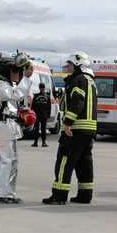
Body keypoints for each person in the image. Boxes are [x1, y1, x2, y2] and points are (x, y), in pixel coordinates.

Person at [43, 51, 97, 205]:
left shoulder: (78, 80)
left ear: (77, 65)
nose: (68, 68)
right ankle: (85, 195)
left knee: (64, 161)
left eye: (70, 65)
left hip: (75, 129)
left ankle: (59, 195)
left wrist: (67, 123)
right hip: (89, 130)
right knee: (84, 163)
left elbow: (77, 103)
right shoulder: (91, 81)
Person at [0, 55, 35, 204]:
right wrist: (26, 79)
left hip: (0, 126)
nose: (17, 75)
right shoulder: (1, 85)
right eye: (16, 72)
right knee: (9, 160)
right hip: (4, 126)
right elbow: (15, 95)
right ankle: (5, 193)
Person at [31, 82, 51, 147]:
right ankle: (43, 142)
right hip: (44, 115)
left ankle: (36, 142)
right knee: (43, 129)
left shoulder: (36, 96)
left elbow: (32, 107)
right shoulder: (47, 97)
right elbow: (49, 107)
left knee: (36, 128)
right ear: (44, 88)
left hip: (37, 115)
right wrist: (48, 115)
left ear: (39, 88)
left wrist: (33, 114)